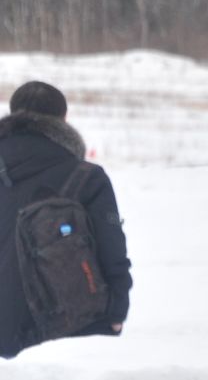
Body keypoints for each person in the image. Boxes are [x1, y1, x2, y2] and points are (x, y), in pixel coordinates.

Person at [0, 81, 133, 359]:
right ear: (63, 119)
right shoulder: (86, 177)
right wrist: (116, 310)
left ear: (12, 114)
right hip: (58, 330)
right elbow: (112, 247)